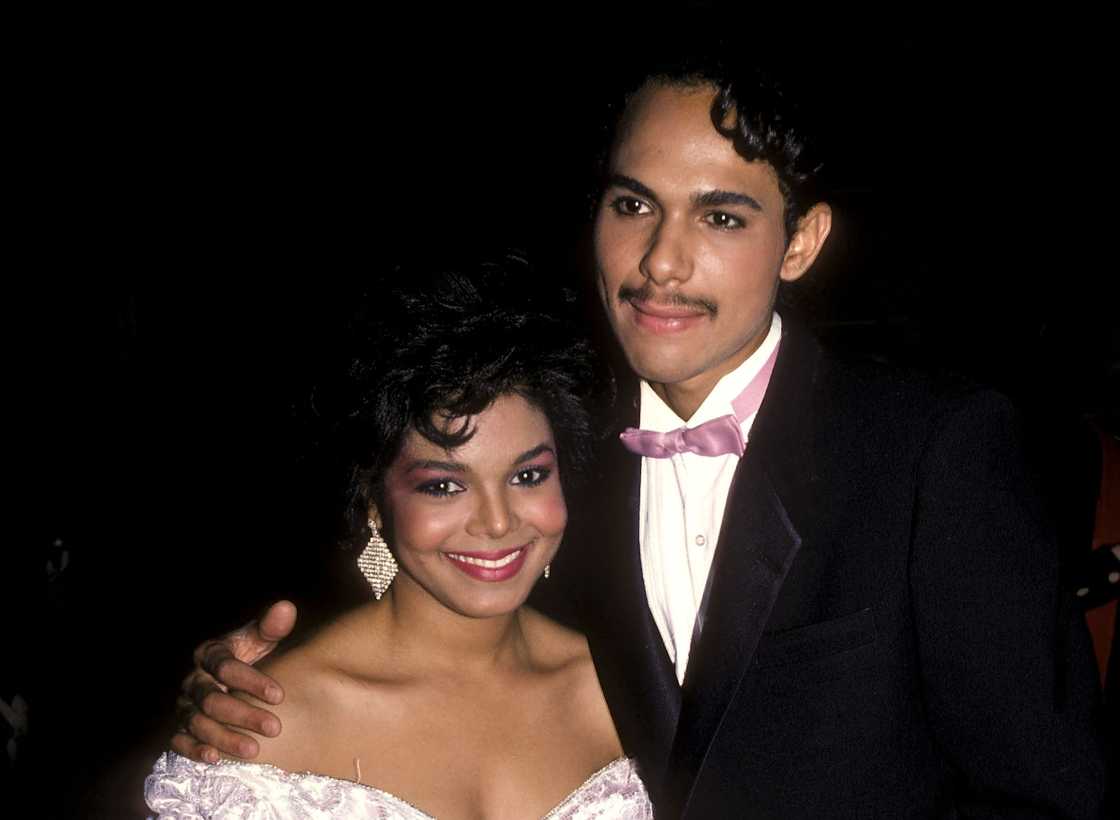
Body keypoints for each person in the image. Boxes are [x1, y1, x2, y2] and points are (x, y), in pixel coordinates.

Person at [173, 59, 1110, 817]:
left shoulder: (931, 450)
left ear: (801, 241)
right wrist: (251, 696)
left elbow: (1051, 796)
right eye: (633, 205)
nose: (661, 260)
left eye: (721, 215)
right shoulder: (554, 453)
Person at [145, 259, 654, 818]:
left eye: (527, 476)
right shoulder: (262, 727)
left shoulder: (629, 687)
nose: (498, 522)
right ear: (375, 504)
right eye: (443, 486)